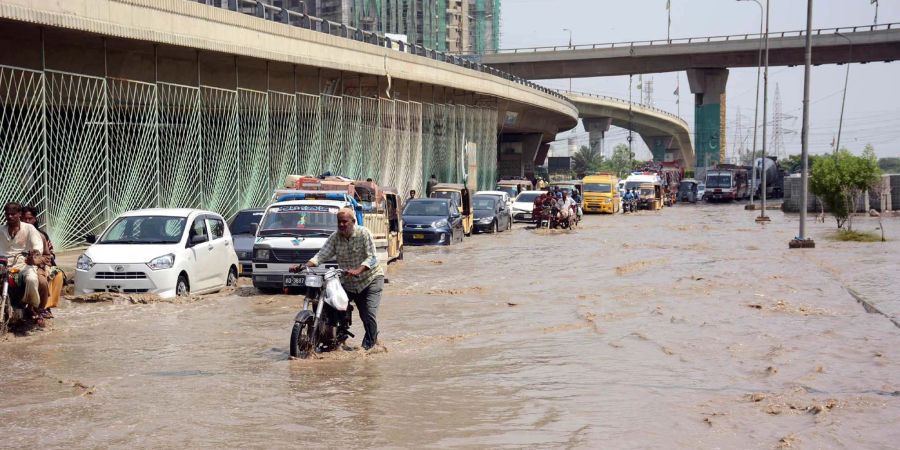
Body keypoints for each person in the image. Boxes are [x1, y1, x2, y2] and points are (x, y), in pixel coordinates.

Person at [297, 208, 384, 351]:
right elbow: (321, 255)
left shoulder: (363, 233)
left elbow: (372, 258)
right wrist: (303, 266)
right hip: (347, 281)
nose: (342, 225)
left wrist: (358, 270)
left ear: (353, 222)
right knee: (329, 302)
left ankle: (370, 345)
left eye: (345, 222)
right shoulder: (335, 237)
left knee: (368, 314)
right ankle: (334, 337)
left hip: (370, 280)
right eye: (339, 222)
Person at [0, 202, 46, 321]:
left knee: (31, 279)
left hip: (24, 262)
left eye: (13, 214)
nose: (9, 216)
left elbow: (37, 247)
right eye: (7, 214)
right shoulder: (1, 230)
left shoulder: (29, 229)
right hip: (3, 263)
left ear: (19, 214)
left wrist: (34, 255)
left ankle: (32, 306)